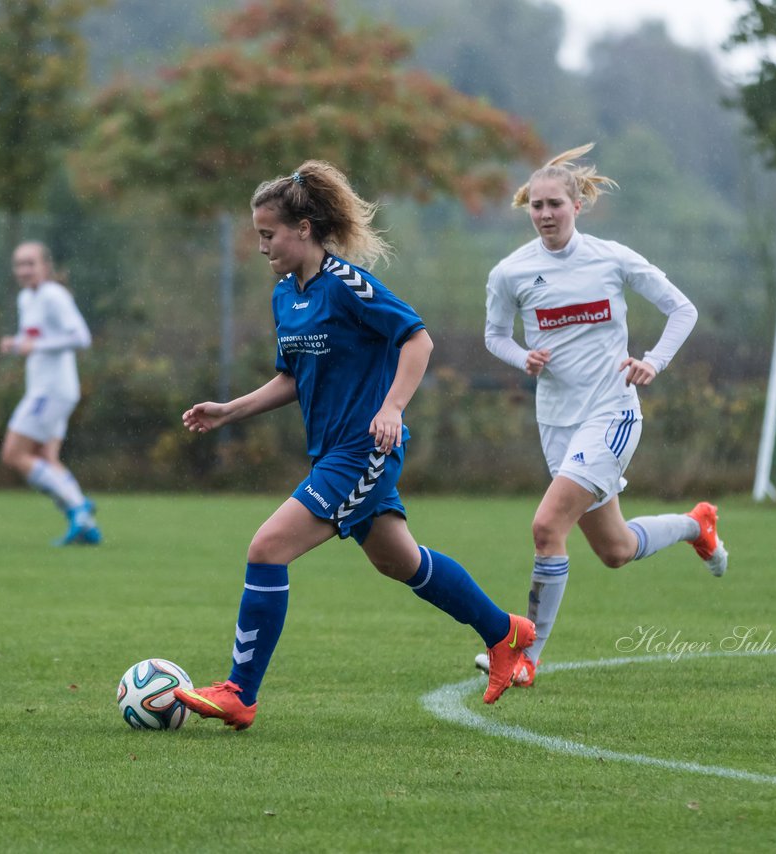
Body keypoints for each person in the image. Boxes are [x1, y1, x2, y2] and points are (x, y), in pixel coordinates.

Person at [176, 161, 535, 731]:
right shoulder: (284, 298)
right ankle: (505, 632)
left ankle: (240, 693)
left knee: (267, 547)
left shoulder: (348, 286)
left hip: (362, 451)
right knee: (400, 561)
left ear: (305, 228)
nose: (262, 246)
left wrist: (391, 407)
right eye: (257, 236)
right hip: (331, 453)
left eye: (269, 235)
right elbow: (292, 379)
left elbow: (417, 339)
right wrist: (230, 411)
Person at [473, 142, 724, 689]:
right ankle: (695, 526)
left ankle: (526, 652)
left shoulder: (611, 258)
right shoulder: (511, 273)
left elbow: (683, 309)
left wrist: (652, 362)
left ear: (577, 205)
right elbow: (494, 336)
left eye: (554, 204)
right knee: (615, 550)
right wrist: (524, 356)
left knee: (545, 527)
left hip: (612, 413)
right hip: (556, 421)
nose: (544, 215)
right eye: (535, 205)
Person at [0, 240, 101, 546]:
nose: (24, 270)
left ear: (45, 266)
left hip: (51, 391)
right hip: (52, 390)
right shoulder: (26, 299)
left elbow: (81, 337)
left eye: (31, 263)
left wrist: (35, 346)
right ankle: (86, 526)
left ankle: (78, 506)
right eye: (19, 264)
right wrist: (16, 344)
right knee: (46, 457)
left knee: (14, 454)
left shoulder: (54, 295)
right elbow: (35, 337)